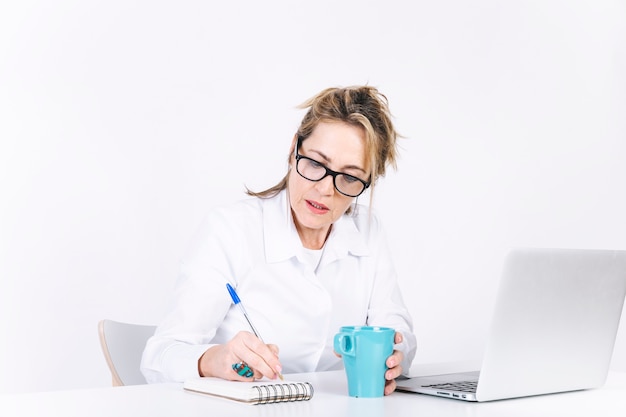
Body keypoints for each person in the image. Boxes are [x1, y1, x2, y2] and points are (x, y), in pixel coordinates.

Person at [140, 85, 417, 395]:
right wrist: (213, 359)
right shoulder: (231, 229)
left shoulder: (368, 231)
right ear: (293, 150)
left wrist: (396, 354)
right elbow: (158, 357)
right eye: (315, 163)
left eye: (349, 177)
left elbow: (397, 328)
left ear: (367, 182)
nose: (326, 189)